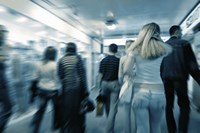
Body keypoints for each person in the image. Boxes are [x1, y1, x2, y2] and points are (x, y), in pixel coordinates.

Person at [124, 22, 171, 133]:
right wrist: (159, 39)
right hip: (158, 92)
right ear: (158, 33)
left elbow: (126, 70)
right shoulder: (164, 48)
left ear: (142, 33)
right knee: (156, 127)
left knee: (142, 127)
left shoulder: (135, 49)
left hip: (140, 91)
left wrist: (134, 75)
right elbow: (167, 47)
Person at [160, 25, 200, 133]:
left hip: (166, 79)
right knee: (184, 105)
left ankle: (171, 130)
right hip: (180, 79)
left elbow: (160, 65)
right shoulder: (184, 43)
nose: (181, 34)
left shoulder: (163, 46)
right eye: (181, 31)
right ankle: (182, 130)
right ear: (177, 32)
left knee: (169, 105)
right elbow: (192, 65)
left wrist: (161, 79)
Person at [58, 42, 94, 133]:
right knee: (79, 111)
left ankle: (68, 129)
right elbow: (82, 76)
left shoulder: (61, 60)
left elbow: (60, 76)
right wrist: (86, 91)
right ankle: (79, 129)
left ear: (66, 49)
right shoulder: (78, 59)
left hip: (66, 90)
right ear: (75, 49)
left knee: (67, 111)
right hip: (77, 90)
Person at [31, 46, 61, 133]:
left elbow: (36, 77)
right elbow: (56, 79)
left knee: (41, 110)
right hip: (53, 91)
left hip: (42, 90)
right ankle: (55, 127)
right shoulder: (55, 65)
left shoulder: (39, 64)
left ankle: (35, 129)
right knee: (56, 109)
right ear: (54, 54)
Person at [97, 43, 120, 133]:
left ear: (109, 50)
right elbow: (120, 75)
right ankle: (110, 129)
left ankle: (109, 122)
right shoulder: (118, 60)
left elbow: (100, 75)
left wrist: (99, 87)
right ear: (116, 50)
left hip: (104, 83)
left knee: (106, 104)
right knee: (113, 107)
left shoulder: (103, 60)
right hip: (114, 84)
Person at [118, 40, 135, 133]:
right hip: (137, 85)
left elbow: (120, 75)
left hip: (126, 84)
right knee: (138, 111)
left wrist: (121, 84)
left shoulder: (123, 59)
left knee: (126, 111)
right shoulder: (138, 58)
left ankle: (127, 131)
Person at [0, 25, 12, 133]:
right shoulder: (4, 46)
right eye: (4, 33)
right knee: (8, 109)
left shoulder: (4, 46)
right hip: (1, 83)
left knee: (8, 109)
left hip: (3, 82)